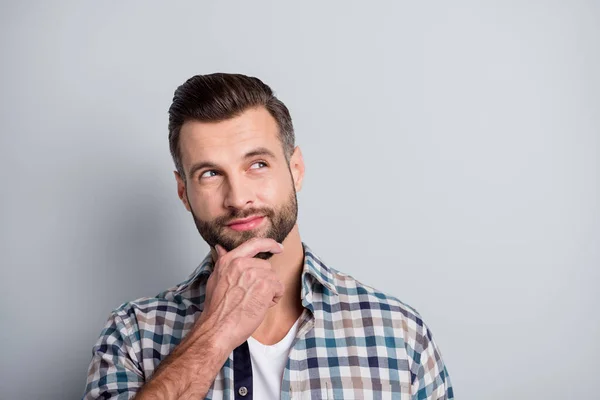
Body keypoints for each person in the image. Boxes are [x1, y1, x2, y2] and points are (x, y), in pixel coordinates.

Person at [82, 73, 454, 400]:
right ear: (183, 193)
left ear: (296, 170)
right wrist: (216, 332)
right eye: (210, 174)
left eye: (257, 165)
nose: (238, 198)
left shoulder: (399, 335)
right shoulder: (131, 335)